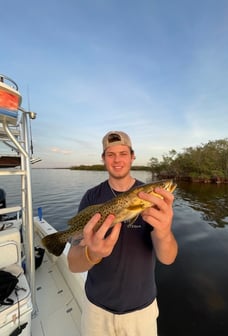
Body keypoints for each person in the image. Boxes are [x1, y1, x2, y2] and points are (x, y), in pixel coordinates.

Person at [67, 131, 178, 336]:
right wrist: (93, 254)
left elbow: (168, 258)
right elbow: (73, 264)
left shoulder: (154, 203)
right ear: (103, 158)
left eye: (123, 153)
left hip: (142, 312)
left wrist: (164, 232)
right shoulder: (91, 197)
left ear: (132, 156)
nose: (117, 159)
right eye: (110, 154)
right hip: (96, 310)